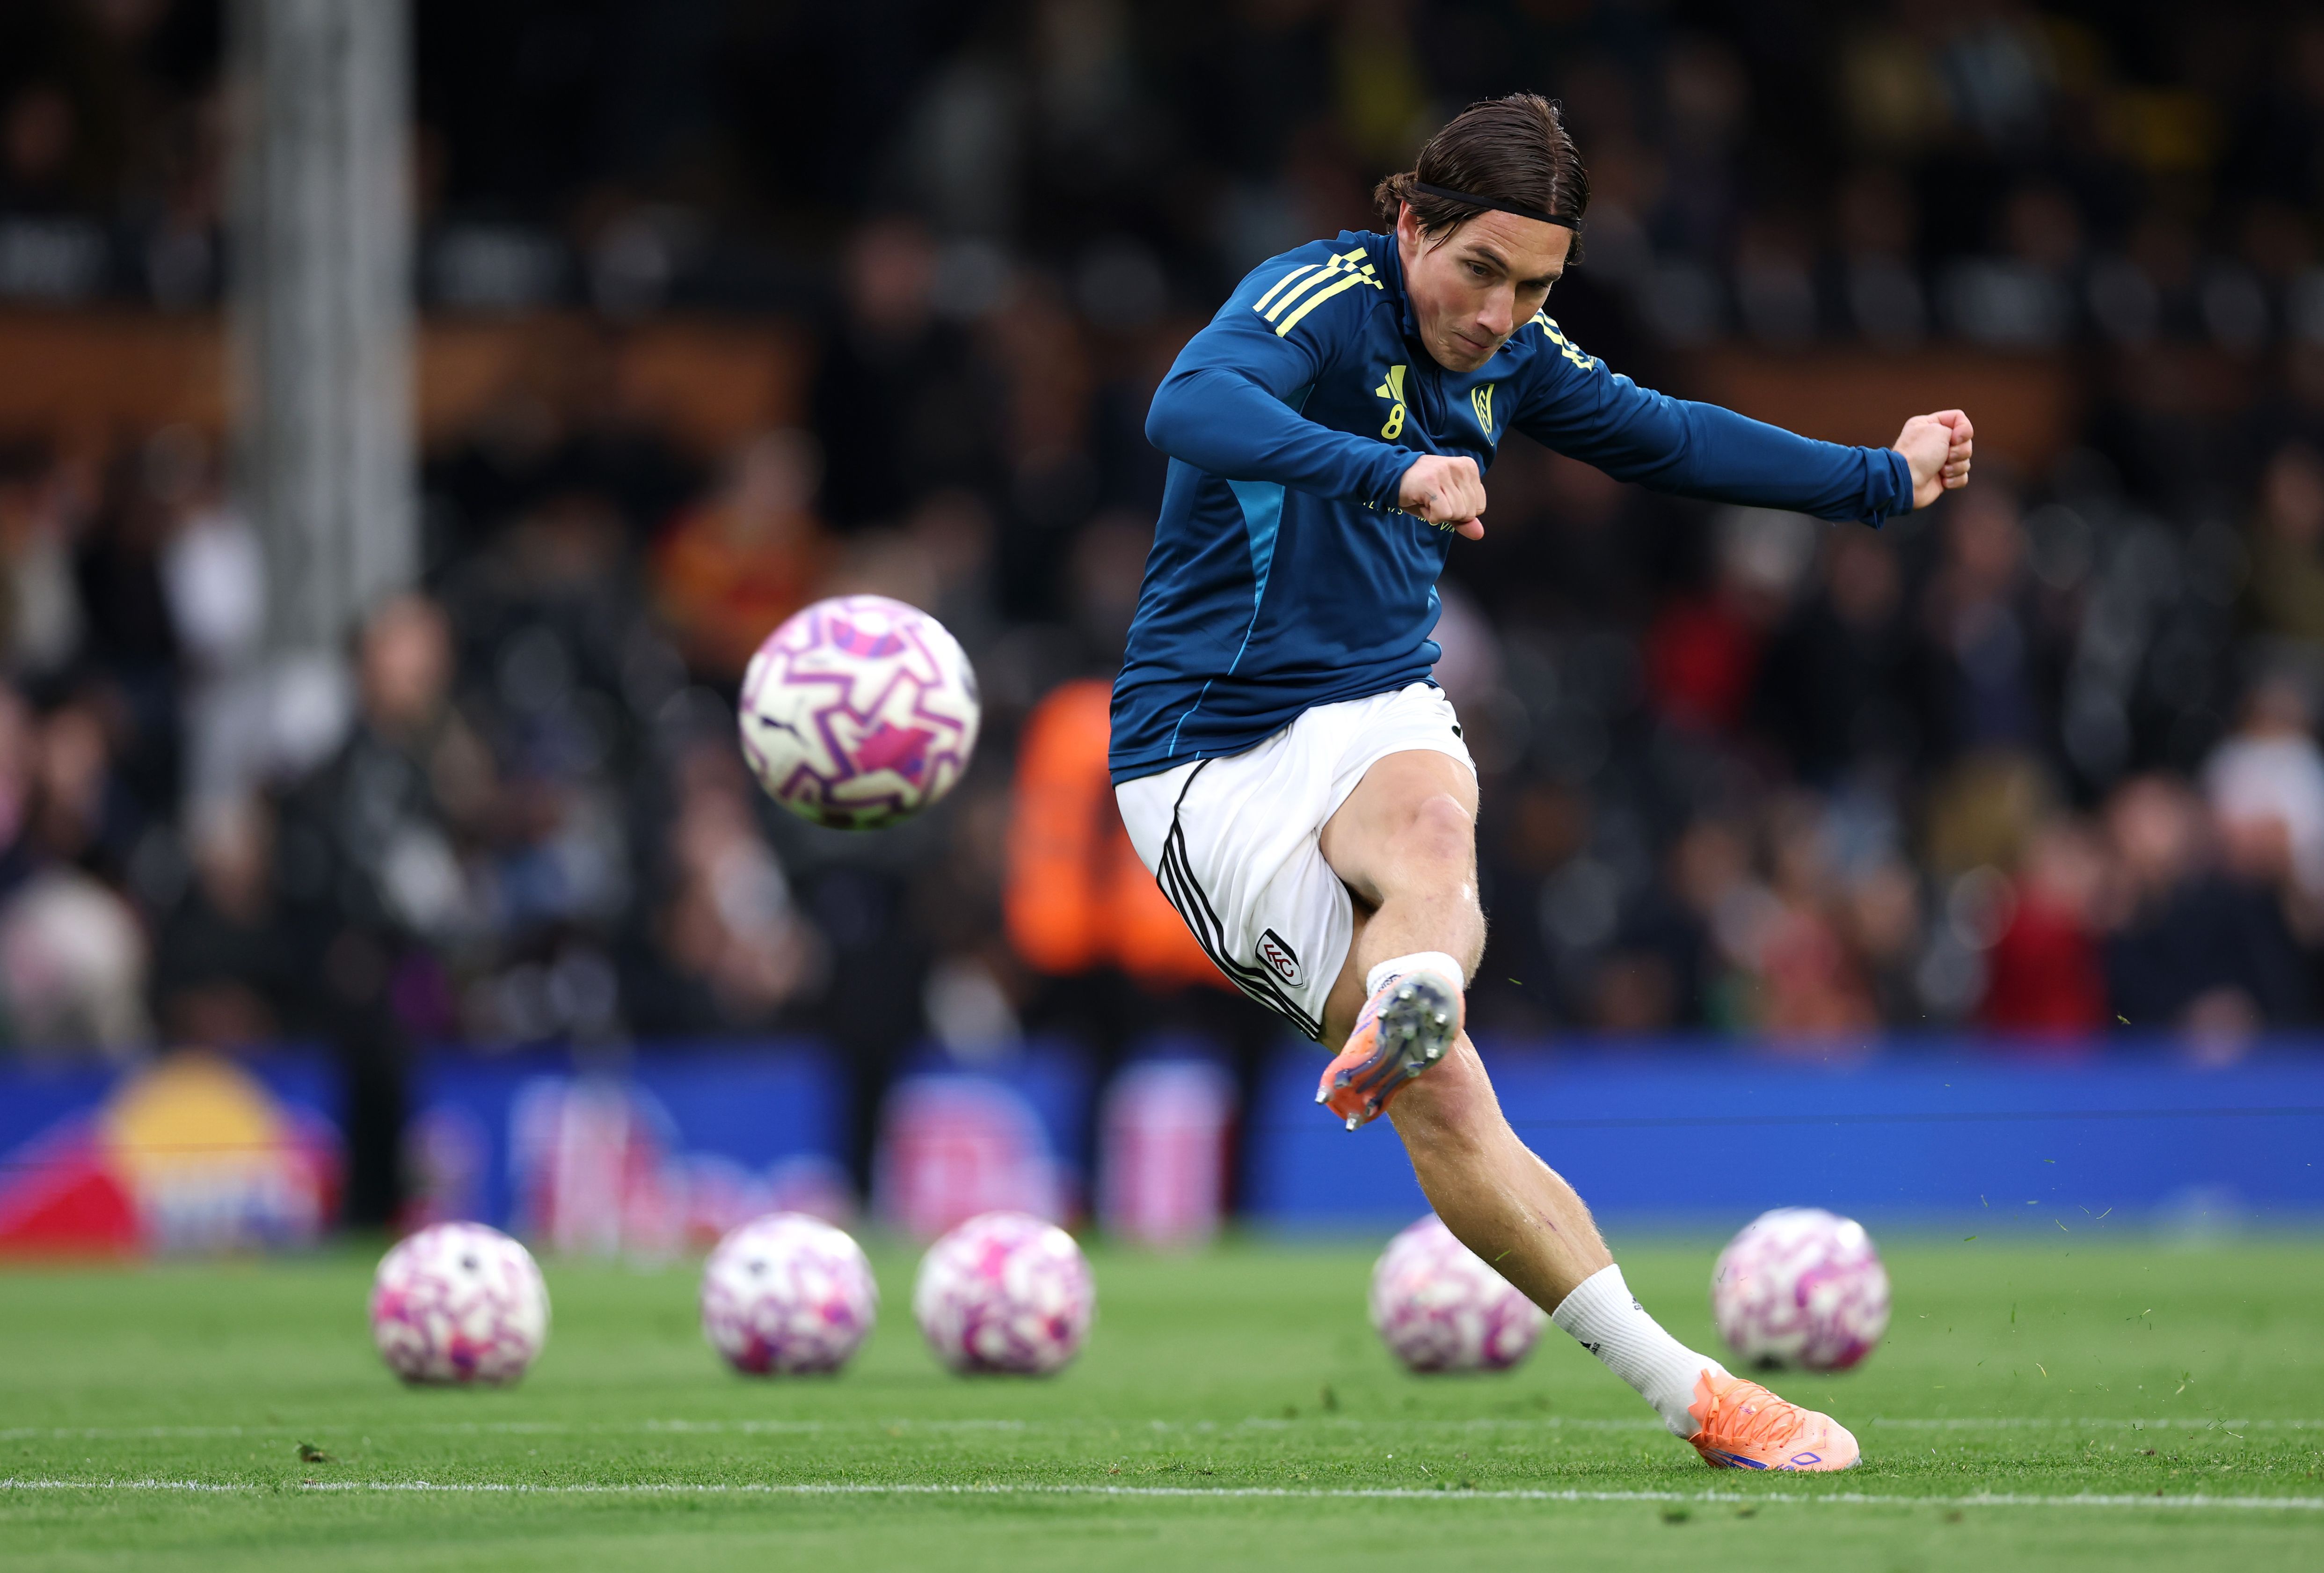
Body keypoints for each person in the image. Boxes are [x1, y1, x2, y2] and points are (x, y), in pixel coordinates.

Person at [1110, 95, 1973, 1472]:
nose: (1504, 313)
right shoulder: (1317, 299)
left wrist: (1880, 481)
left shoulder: (1513, 354)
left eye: (1537, 286)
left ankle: (1423, 997)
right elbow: (1186, 403)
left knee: (1435, 826)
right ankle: (1660, 1351)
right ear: (1413, 223)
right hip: (1206, 756)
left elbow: (1672, 436)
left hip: (1372, 701)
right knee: (1450, 1103)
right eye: (1482, 272)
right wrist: (1388, 474)